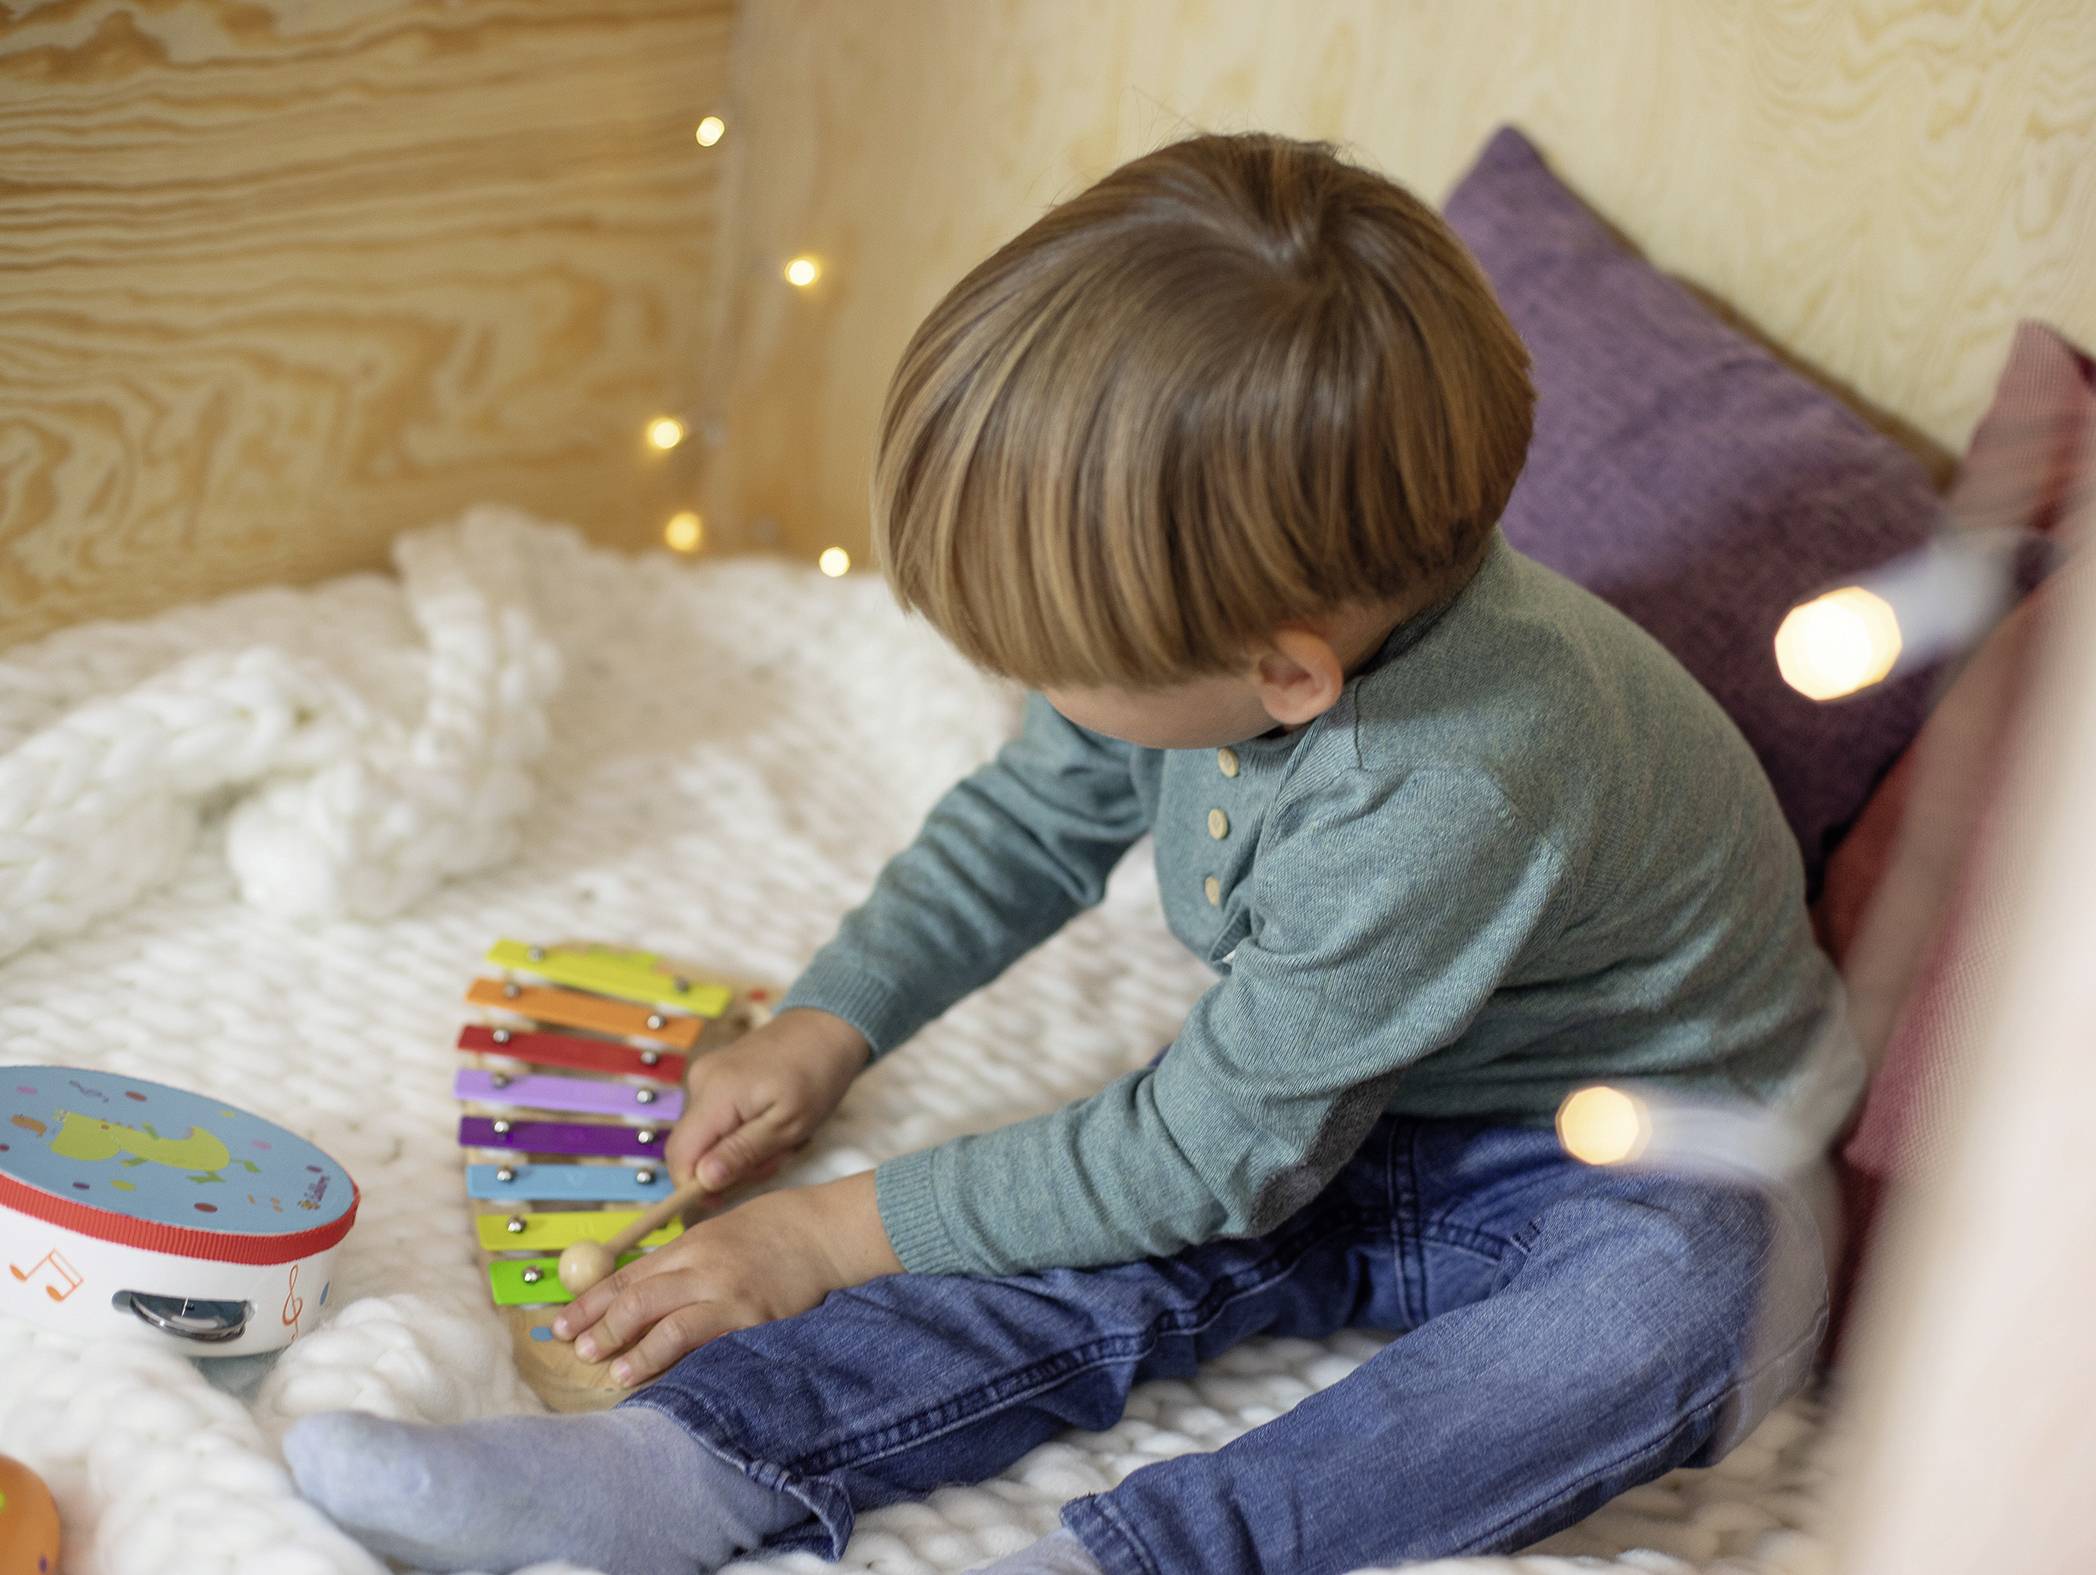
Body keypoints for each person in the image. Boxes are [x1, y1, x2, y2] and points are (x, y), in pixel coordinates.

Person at [287, 131, 1861, 1575]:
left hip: (1645, 1155)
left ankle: (1149, 1558)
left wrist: (832, 1231)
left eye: (1064, 669)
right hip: (1364, 1088)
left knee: (1668, 1323)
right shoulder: (1247, 621)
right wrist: (834, 1022)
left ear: (1285, 674)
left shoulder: (1446, 784)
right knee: (1069, 1207)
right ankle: (685, 1463)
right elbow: (1033, 825)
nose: (1040, 698)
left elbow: (1209, 1153)